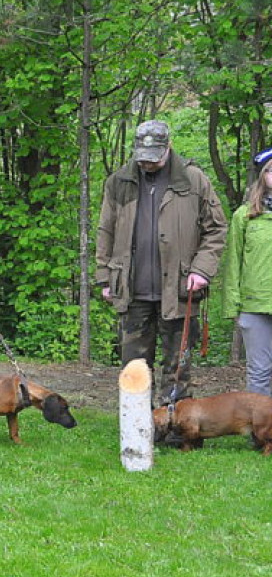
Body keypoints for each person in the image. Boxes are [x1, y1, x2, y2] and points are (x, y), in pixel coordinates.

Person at [96, 119, 227, 404]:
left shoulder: (193, 179)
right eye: (143, 159)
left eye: (154, 158)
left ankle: (175, 428)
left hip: (181, 291)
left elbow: (216, 229)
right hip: (132, 291)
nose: (148, 164)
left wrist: (202, 269)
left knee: (178, 367)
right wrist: (105, 277)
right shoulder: (118, 182)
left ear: (168, 148)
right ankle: (136, 427)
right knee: (133, 367)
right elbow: (105, 230)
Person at [222, 147, 272, 395]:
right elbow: (233, 263)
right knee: (259, 371)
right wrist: (234, 306)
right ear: (263, 176)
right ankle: (261, 432)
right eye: (271, 170)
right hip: (254, 306)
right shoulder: (244, 216)